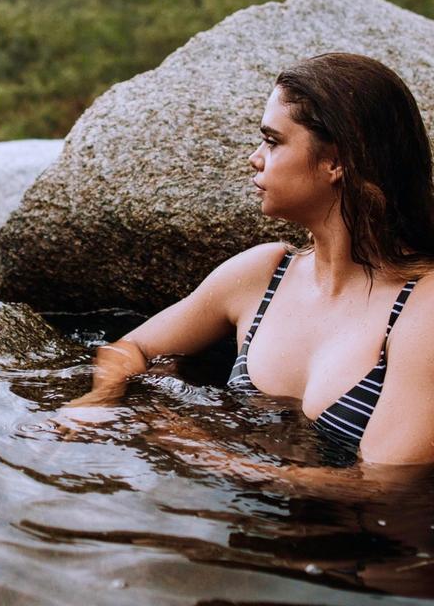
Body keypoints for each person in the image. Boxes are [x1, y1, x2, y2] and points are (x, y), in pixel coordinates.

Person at [63, 52, 434, 467]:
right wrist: (99, 400)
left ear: (337, 161)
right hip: (242, 521)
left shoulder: (423, 309)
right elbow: (129, 347)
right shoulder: (263, 272)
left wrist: (196, 447)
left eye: (273, 141)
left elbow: (382, 488)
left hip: (356, 532)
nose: (254, 158)